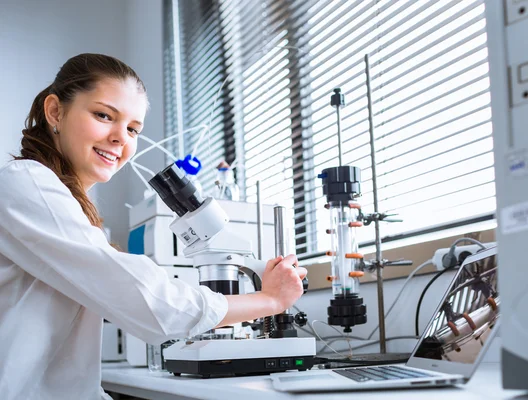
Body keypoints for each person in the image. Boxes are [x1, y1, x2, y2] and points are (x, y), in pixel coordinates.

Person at [0, 53, 307, 400]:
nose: (120, 138)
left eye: (133, 129)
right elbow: (145, 299)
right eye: (104, 115)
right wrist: (269, 300)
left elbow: (68, 377)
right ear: (55, 111)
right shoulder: (26, 183)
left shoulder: (65, 201)